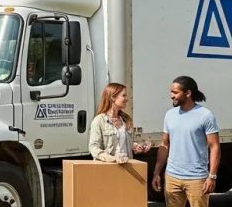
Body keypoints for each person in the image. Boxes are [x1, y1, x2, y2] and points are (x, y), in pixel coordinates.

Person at [152, 76, 220, 207]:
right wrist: (156, 173)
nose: (171, 96)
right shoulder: (169, 115)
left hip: (196, 179)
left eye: (175, 92)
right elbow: (164, 145)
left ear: (188, 93)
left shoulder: (206, 115)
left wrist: (212, 176)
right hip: (172, 177)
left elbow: (214, 147)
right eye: (171, 92)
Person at [89, 83, 151, 163]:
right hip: (108, 168)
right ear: (113, 97)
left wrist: (136, 146)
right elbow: (93, 147)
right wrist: (112, 159)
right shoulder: (99, 120)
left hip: (127, 166)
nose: (127, 99)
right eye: (124, 95)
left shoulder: (126, 120)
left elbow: (124, 144)